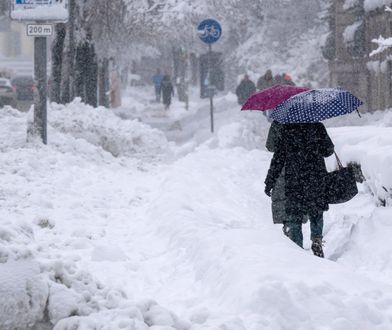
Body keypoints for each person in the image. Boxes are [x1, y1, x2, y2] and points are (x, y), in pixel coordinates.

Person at [264, 122, 334, 258]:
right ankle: (317, 240)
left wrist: (270, 181)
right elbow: (328, 151)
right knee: (316, 210)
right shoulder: (317, 126)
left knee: (294, 215)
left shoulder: (286, 129)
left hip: (294, 180)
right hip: (315, 177)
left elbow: (278, 159)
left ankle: (297, 250)